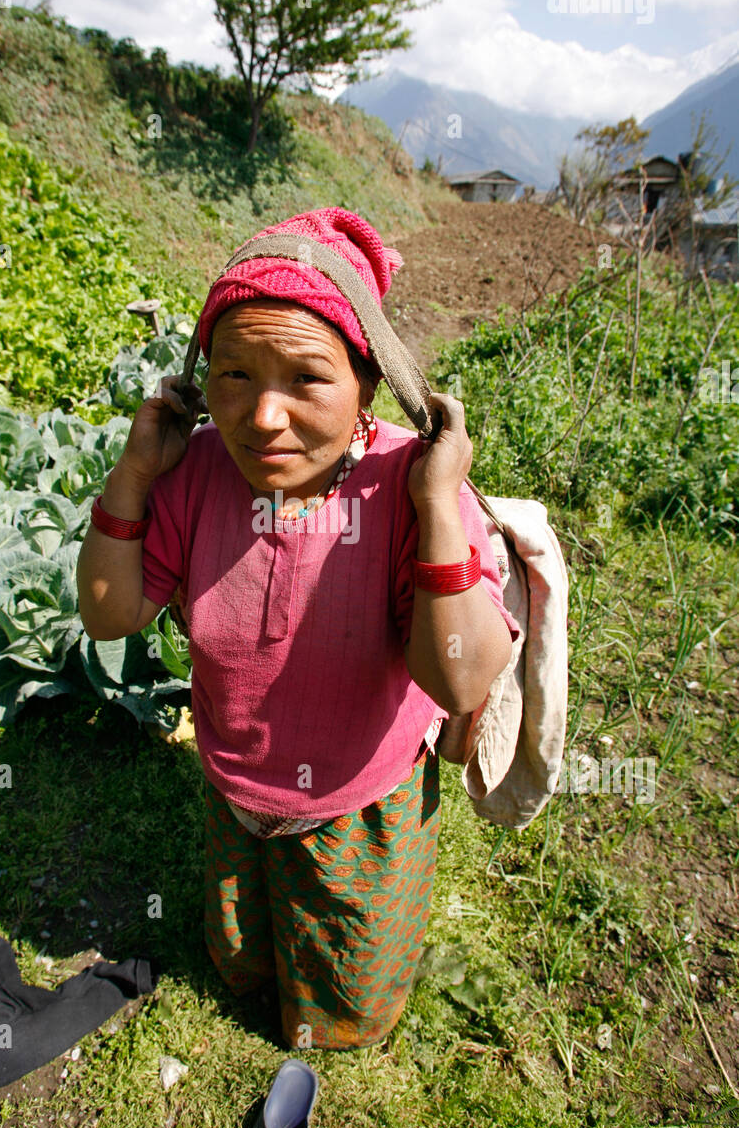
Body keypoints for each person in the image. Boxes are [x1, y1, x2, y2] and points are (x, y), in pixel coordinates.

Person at [77, 207, 518, 1051]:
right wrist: (135, 473)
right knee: (240, 962)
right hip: (234, 788)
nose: (262, 416)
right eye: (233, 374)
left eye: (306, 378)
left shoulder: (409, 488)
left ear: (368, 387)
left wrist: (434, 507)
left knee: (346, 1012)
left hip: (360, 802)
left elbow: (459, 681)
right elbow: (108, 615)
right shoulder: (200, 469)